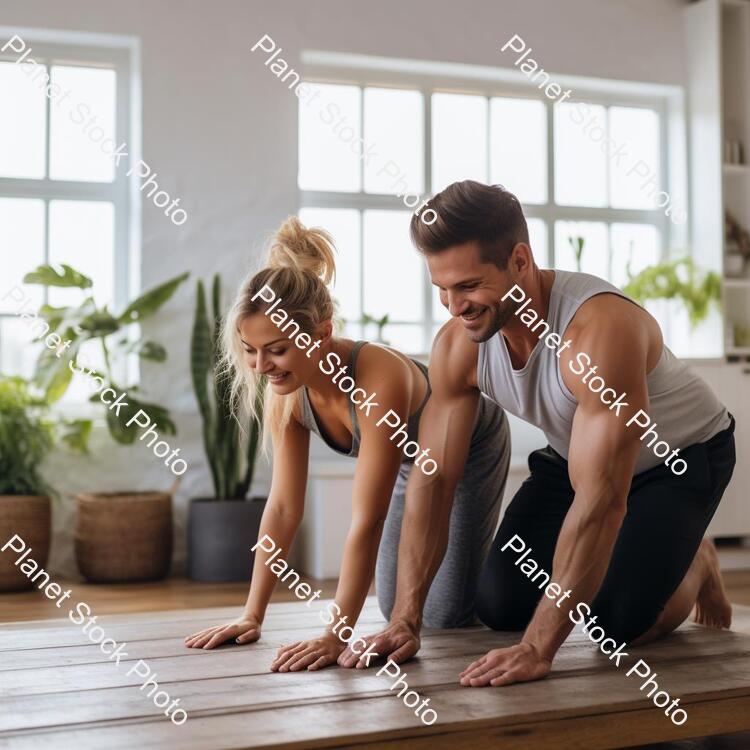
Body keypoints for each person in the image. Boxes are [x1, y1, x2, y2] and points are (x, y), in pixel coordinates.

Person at [340, 180, 735, 689]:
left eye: (468, 286)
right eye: (442, 287)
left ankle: (694, 561)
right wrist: (404, 618)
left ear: (520, 261)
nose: (453, 305)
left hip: (678, 458)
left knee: (613, 623)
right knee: (500, 603)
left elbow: (602, 500)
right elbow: (435, 481)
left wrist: (537, 648)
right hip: (578, 457)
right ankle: (658, 552)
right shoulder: (459, 346)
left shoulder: (595, 332)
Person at [184, 216, 510, 671]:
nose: (261, 366)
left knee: (443, 614)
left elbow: (368, 516)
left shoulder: (378, 378)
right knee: (392, 605)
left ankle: (521, 574)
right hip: (407, 461)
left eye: (276, 349)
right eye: (250, 349)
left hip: (469, 442)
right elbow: (282, 509)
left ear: (320, 332)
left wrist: (336, 637)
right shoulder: (288, 393)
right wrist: (252, 613)